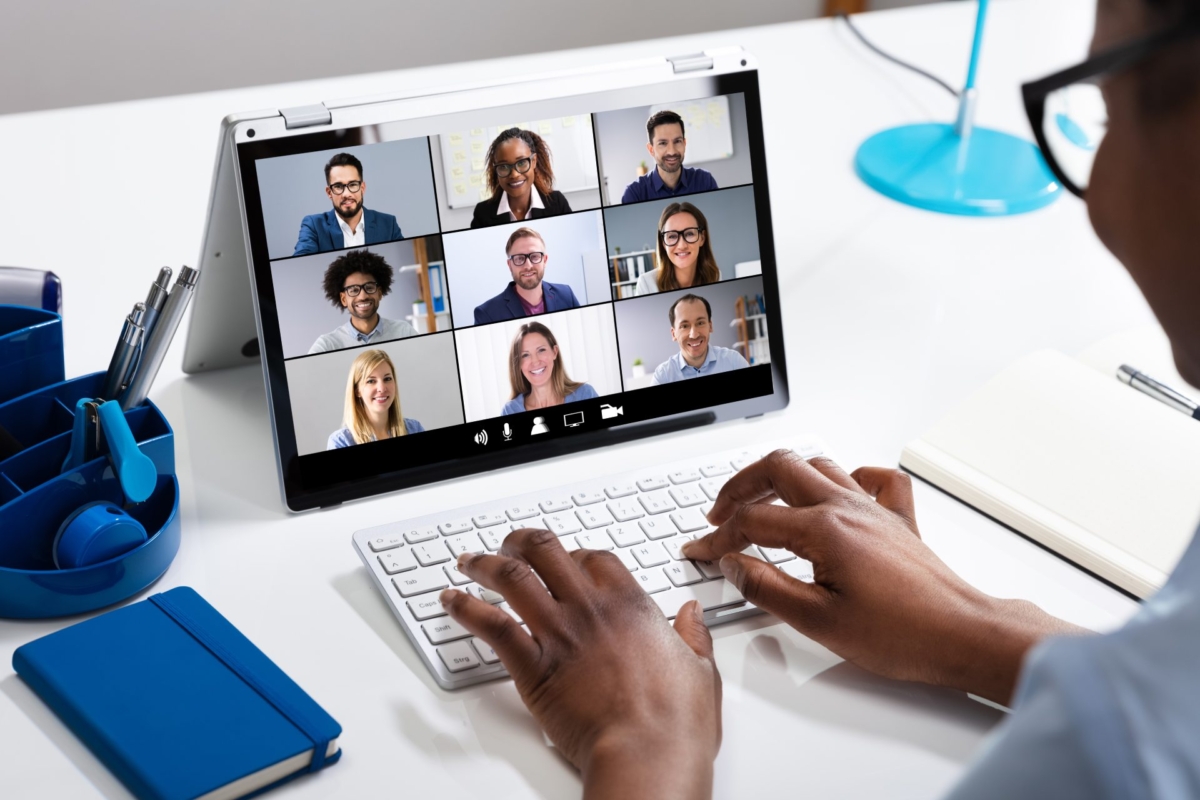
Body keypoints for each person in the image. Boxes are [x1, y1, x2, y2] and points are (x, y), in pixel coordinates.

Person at [438, 0, 1200, 796]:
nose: (1097, 191)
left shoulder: (1117, 755)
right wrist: (974, 626)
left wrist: (643, 740)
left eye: (1108, 108)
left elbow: (1152, 715)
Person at [293, 153, 403, 256]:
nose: (346, 194)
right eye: (338, 186)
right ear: (329, 192)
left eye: (353, 184)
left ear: (362, 188)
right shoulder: (314, 226)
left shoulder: (389, 224)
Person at [309, 250, 417, 354]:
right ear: (343, 299)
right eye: (354, 290)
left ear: (379, 293)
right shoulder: (327, 345)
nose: (363, 296)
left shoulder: (403, 332)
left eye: (369, 288)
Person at [473, 227, 581, 324]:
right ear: (510, 265)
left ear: (545, 260)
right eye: (519, 258)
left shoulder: (567, 295)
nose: (528, 266)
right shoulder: (486, 314)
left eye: (534, 257)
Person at [471, 128, 572, 228]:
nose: (514, 174)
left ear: (534, 161)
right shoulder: (483, 213)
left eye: (522, 163)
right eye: (503, 167)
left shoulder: (557, 203)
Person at [327, 349, 423, 448]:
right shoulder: (341, 442)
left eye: (387, 379)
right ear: (357, 390)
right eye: (371, 381)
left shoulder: (414, 429)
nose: (381, 388)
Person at [620, 109, 718, 204]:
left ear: (684, 144)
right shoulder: (634, 194)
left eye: (677, 141)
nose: (672, 151)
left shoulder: (705, 181)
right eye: (663, 143)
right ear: (651, 149)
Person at [501, 321, 598, 414]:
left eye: (541, 350)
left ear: (554, 352)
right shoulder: (510, 411)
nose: (535, 361)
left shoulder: (584, 395)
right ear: (518, 364)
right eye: (525, 355)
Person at [651, 293, 748, 384]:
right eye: (684, 326)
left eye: (700, 323)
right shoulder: (662, 377)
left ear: (710, 326)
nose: (694, 335)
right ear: (673, 334)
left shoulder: (734, 362)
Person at [635, 202, 722, 295]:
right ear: (663, 243)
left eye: (689, 234)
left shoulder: (715, 276)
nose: (682, 246)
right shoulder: (646, 284)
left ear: (702, 238)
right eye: (672, 236)